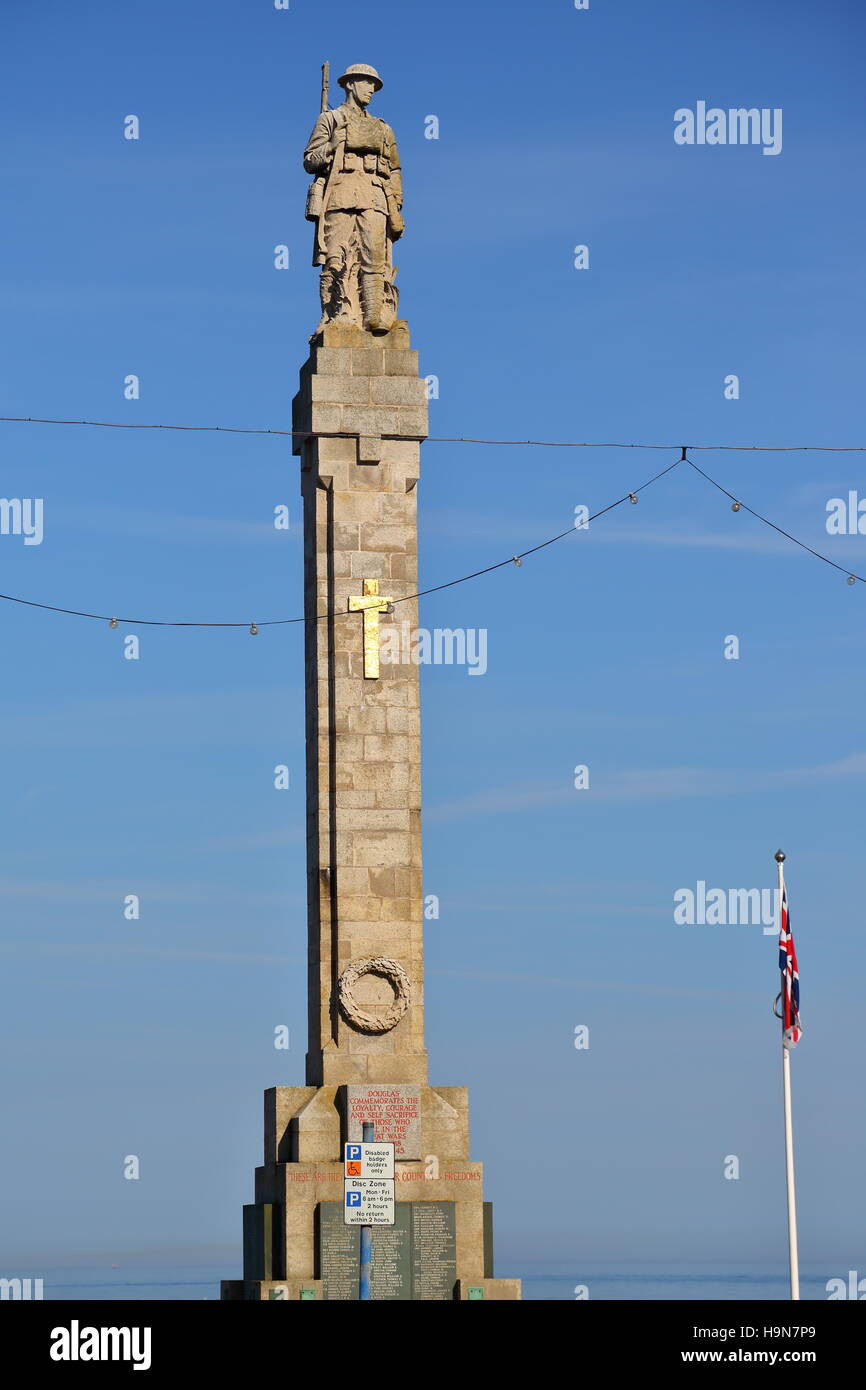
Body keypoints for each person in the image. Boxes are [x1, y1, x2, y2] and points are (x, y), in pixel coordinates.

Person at [304, 63, 404, 335]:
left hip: (374, 196)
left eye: (374, 84)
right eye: (366, 82)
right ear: (350, 84)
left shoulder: (383, 128)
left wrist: (396, 206)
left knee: (375, 258)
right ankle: (336, 315)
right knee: (335, 256)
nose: (371, 89)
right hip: (340, 191)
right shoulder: (330, 119)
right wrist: (332, 145)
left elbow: (394, 169)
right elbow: (310, 161)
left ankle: (373, 317)